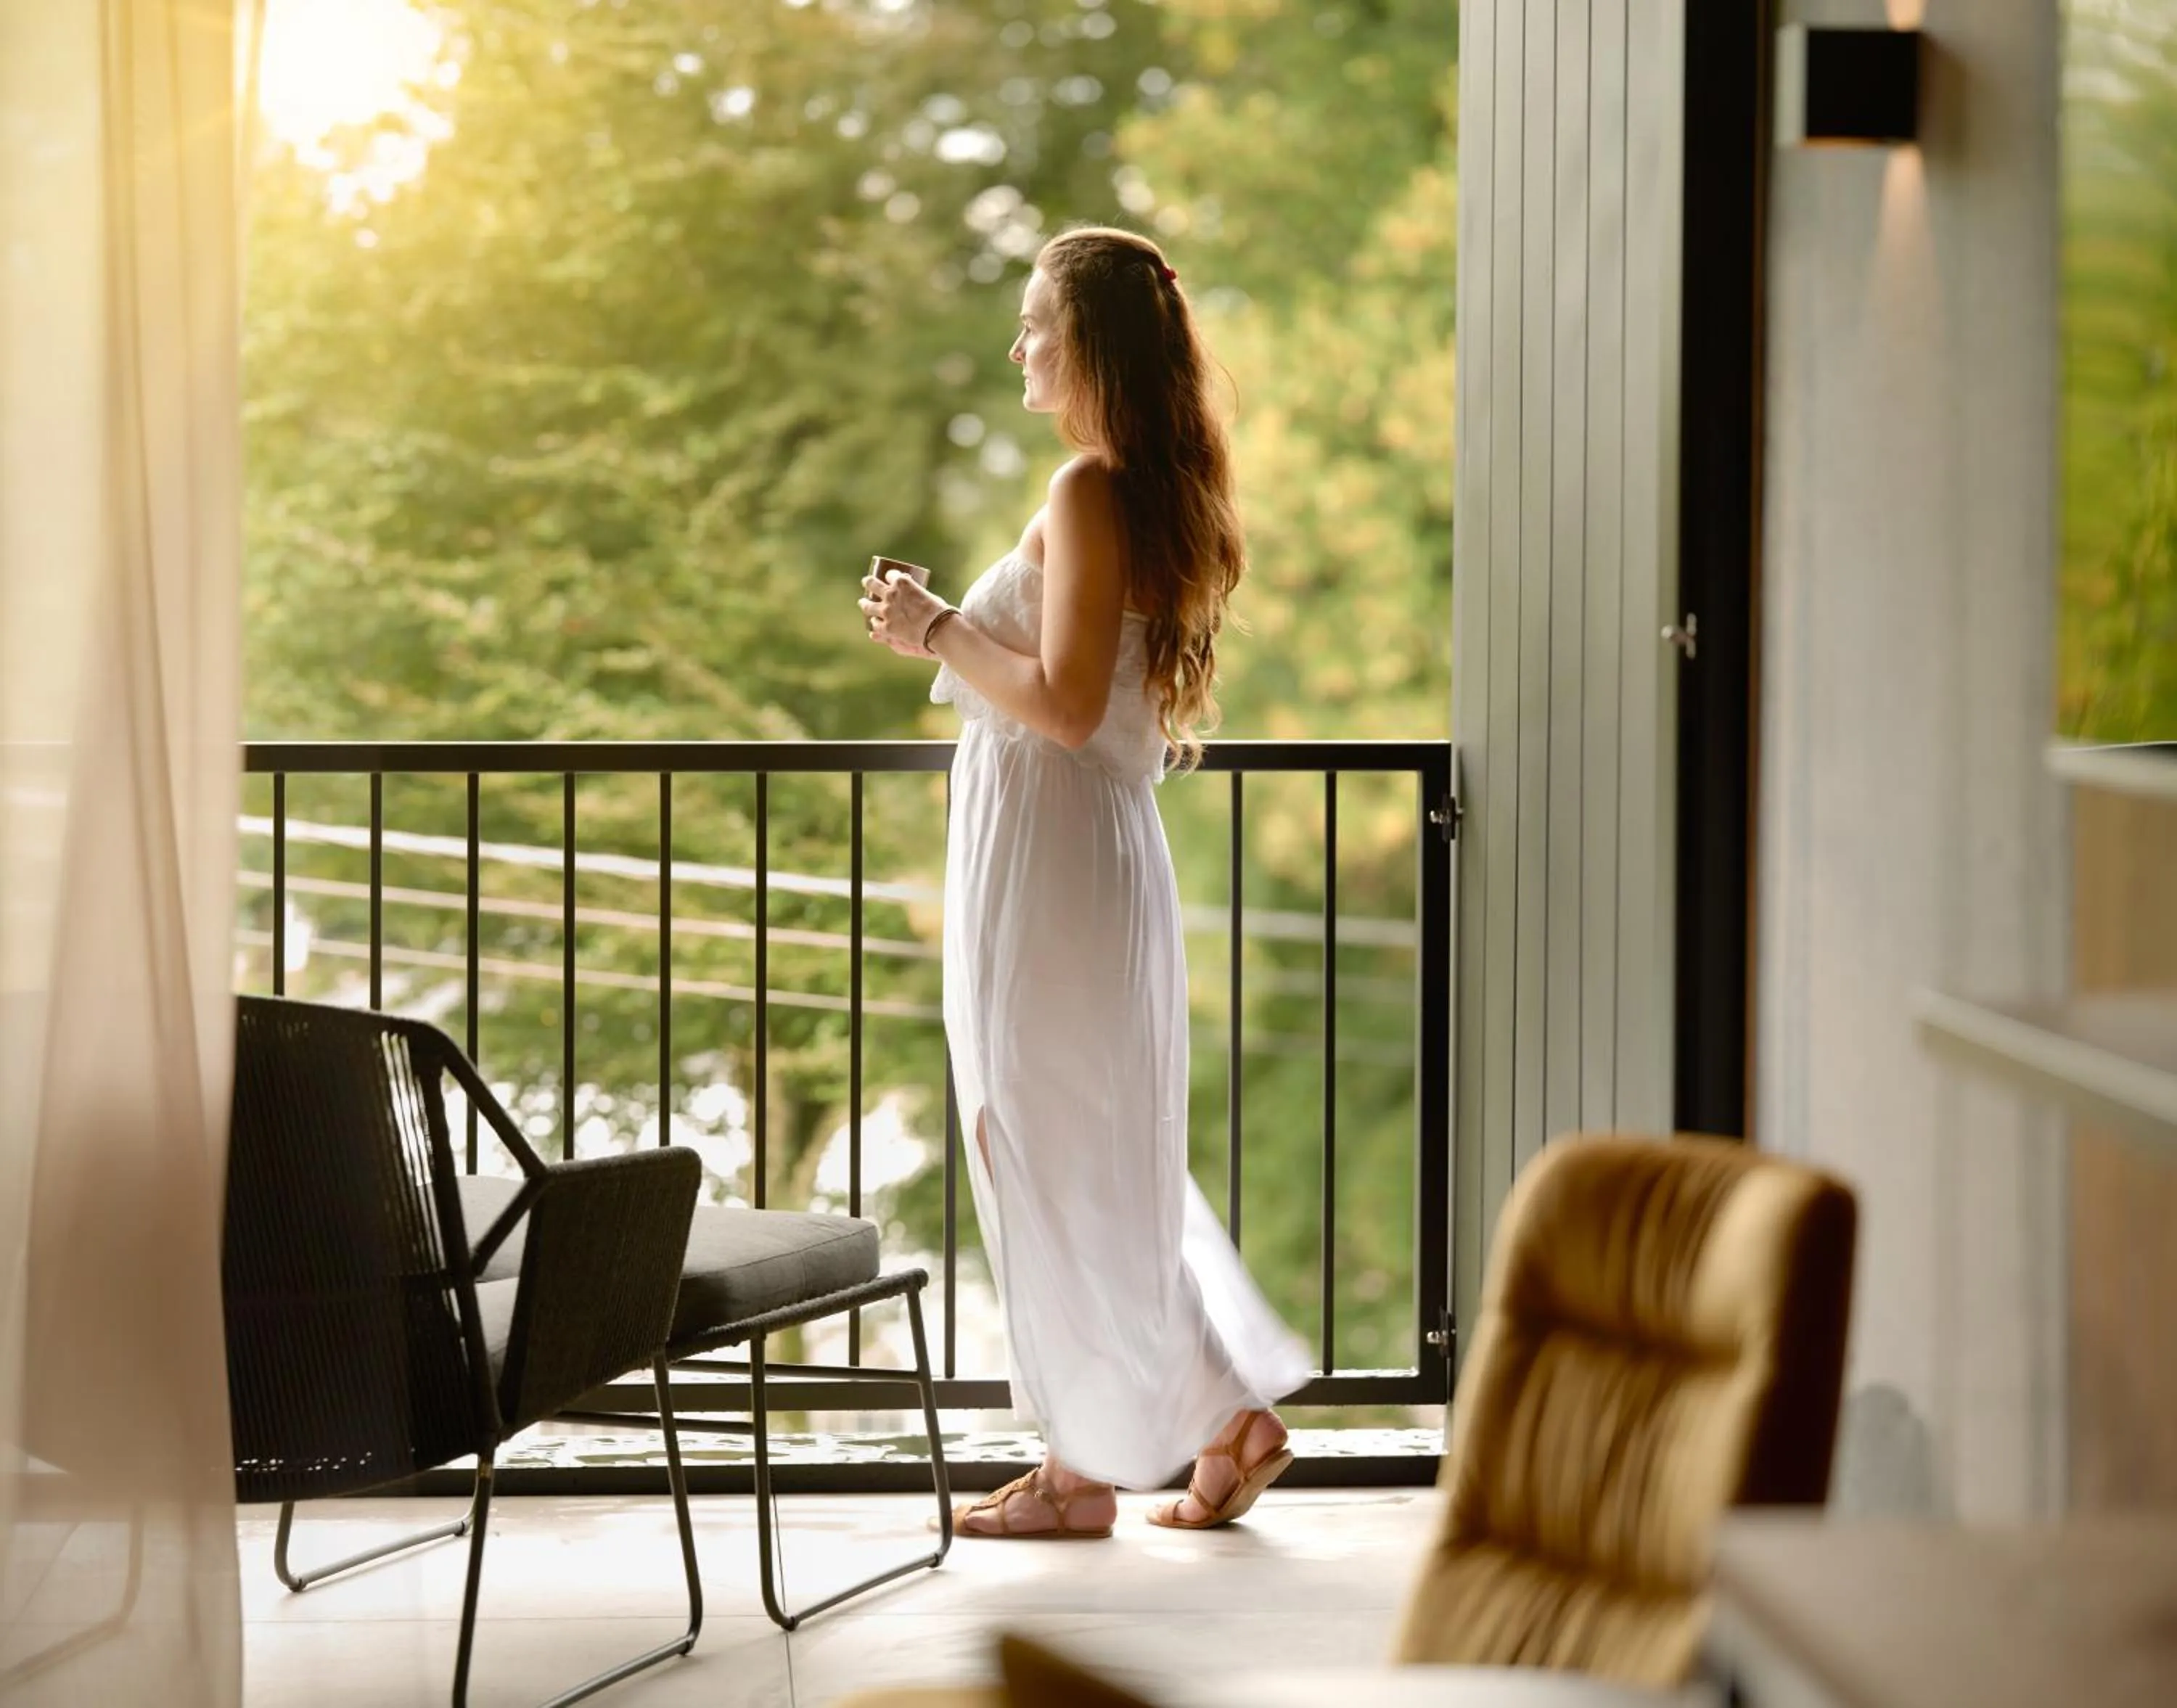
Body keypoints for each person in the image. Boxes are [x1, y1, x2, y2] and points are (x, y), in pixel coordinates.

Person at [858, 226, 1310, 1539]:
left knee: (1047, 1151)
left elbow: (1061, 706)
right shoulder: (1139, 491)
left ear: (1090, 348)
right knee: (1082, 1156)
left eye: (1036, 326)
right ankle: (1208, 1423)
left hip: (1054, 857)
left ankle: (1084, 1472)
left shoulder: (1088, 490)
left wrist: (933, 627)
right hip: (1077, 850)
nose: (1019, 348)